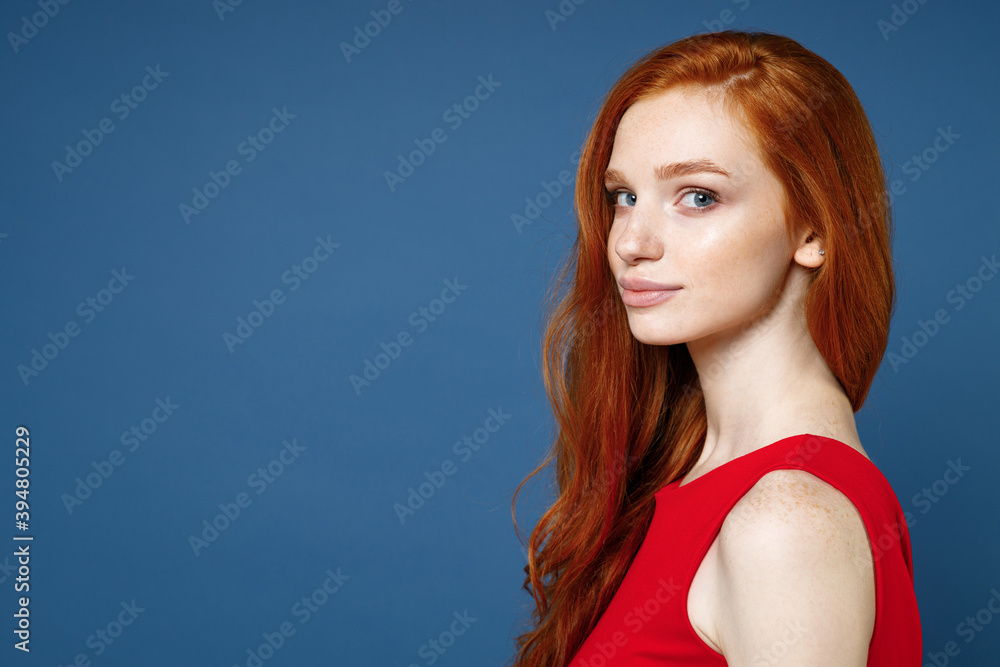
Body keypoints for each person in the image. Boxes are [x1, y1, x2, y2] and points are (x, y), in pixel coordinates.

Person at [509, 30, 921, 666]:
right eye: (624, 196)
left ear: (814, 228)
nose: (631, 242)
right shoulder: (696, 483)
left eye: (698, 196)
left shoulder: (785, 521)